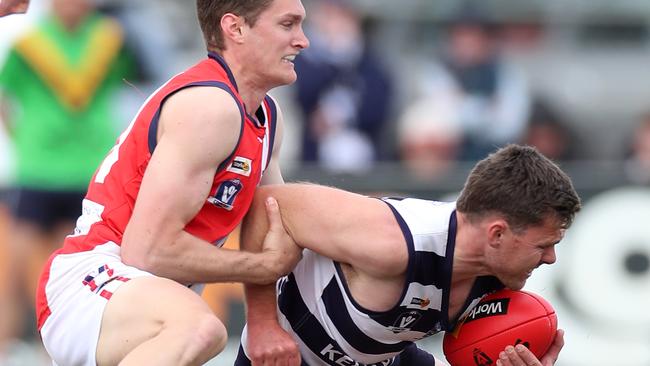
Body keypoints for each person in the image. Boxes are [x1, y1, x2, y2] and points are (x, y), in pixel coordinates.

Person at [35, 0, 309, 365]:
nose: (303, 41)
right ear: (236, 28)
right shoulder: (210, 106)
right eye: (288, 24)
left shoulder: (266, 115)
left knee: (196, 328)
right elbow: (147, 251)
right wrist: (261, 267)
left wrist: (262, 323)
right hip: (94, 277)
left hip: (145, 294)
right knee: (199, 330)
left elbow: (270, 221)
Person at [237, 144, 581, 366]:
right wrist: (263, 324)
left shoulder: (499, 281)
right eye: (543, 245)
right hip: (285, 355)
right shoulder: (390, 240)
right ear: (497, 234)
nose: (550, 258)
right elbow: (265, 206)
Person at [0, 0, 138, 356]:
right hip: (39, 170)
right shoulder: (31, 42)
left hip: (87, 170)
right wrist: (23, 139)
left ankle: (57, 354)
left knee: (78, 274)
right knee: (18, 268)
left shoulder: (110, 39)